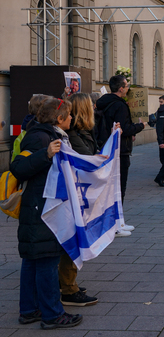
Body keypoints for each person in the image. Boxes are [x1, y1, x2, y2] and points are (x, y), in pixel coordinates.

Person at [10, 97, 83, 329]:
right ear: (59, 118)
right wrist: (46, 154)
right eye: (69, 114)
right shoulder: (40, 137)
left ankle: (29, 310)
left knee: (33, 260)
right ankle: (52, 315)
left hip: (41, 208)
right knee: (46, 261)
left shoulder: (50, 135)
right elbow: (18, 168)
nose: (72, 118)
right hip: (42, 210)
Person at [60, 93, 102, 307]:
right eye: (92, 105)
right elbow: (85, 160)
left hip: (77, 194)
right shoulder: (73, 133)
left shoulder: (81, 131)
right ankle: (68, 288)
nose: (95, 107)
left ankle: (68, 283)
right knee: (72, 237)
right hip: (73, 195)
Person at [96, 75, 147, 202]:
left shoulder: (102, 102)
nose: (128, 88)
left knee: (107, 187)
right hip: (120, 150)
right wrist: (140, 126)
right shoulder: (120, 106)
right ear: (120, 89)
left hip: (105, 148)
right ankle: (117, 218)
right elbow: (124, 129)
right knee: (119, 188)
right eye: (126, 86)